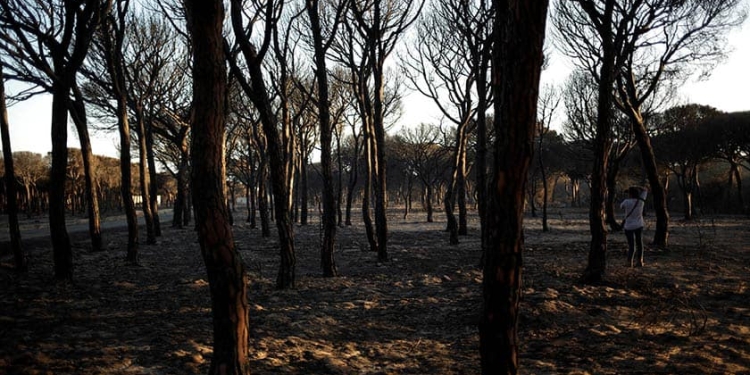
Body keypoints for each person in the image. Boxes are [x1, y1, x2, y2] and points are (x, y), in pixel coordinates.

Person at [620, 186, 648, 267]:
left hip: (628, 226)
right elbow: (645, 189)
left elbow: (621, 206)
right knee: (639, 243)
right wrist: (637, 187)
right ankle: (640, 261)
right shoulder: (641, 201)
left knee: (631, 245)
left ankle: (629, 262)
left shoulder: (626, 202)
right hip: (639, 225)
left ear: (630, 194)